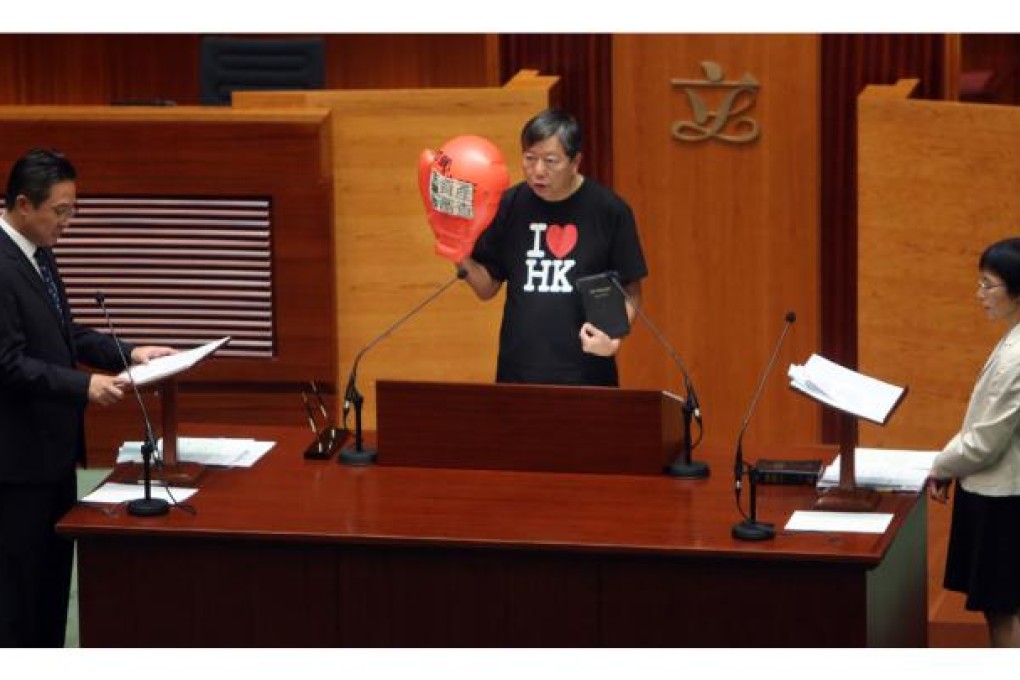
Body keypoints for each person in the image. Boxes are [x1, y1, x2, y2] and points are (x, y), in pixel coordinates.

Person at [0, 148, 175, 647]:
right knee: (19, 597)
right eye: (61, 211)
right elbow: (7, 363)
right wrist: (84, 386)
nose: (68, 223)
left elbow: (62, 333)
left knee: (52, 585)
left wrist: (128, 352)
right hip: (16, 468)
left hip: (52, 457)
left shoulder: (36, 254)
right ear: (24, 205)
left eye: (72, 210)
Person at [454, 109, 648, 387]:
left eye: (550, 161)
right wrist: (458, 253)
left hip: (587, 375)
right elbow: (487, 288)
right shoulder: (509, 205)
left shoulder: (609, 211)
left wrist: (614, 336)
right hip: (518, 374)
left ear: (575, 161)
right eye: (530, 159)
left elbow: (631, 292)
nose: (538, 171)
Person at [929, 237, 1020, 648]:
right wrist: (949, 464)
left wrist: (937, 466)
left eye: (987, 285)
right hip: (994, 488)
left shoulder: (1017, 355)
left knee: (1004, 609)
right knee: (1000, 607)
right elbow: (981, 421)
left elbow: (985, 441)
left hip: (1004, 498)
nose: (978, 295)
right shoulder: (1011, 340)